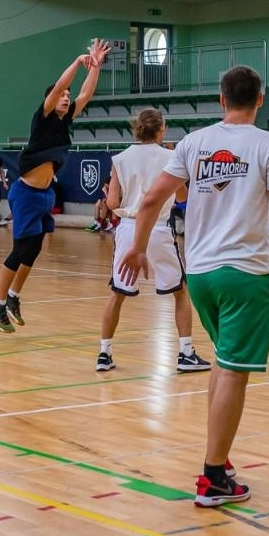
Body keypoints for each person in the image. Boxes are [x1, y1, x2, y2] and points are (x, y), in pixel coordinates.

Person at [119, 65, 269, 507]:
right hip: (245, 273)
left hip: (201, 273)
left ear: (221, 100)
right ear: (261, 100)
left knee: (222, 363)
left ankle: (221, 461)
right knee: (234, 371)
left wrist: (136, 248)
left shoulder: (193, 142)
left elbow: (152, 199)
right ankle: (213, 476)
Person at [0, 40, 109, 333]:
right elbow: (58, 87)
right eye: (62, 95)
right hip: (26, 193)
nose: (66, 97)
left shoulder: (66, 121)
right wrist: (79, 63)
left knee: (35, 249)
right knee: (20, 251)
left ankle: (14, 297)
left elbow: (87, 93)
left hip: (45, 194)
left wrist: (96, 67)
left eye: (68, 96)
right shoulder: (41, 119)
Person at [98, 108, 209, 373]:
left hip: (127, 228)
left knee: (117, 292)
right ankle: (185, 353)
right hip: (158, 228)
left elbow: (112, 203)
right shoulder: (171, 156)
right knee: (180, 290)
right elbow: (181, 197)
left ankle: (104, 353)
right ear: (162, 129)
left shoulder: (120, 158)